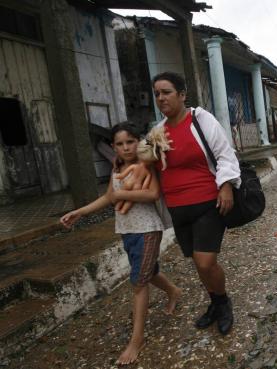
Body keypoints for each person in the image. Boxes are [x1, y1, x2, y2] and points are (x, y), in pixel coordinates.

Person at [60, 123, 182, 365]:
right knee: (148, 272)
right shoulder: (118, 165)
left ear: (138, 141)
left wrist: (122, 195)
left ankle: (136, 341)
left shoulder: (147, 164)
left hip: (147, 230)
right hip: (126, 231)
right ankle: (173, 291)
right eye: (120, 144)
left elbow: (153, 194)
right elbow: (108, 196)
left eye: (130, 141)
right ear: (113, 147)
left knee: (138, 283)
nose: (126, 148)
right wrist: (80, 212)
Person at [152, 71, 240, 335]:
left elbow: (225, 154)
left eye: (166, 92)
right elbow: (150, 165)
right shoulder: (157, 132)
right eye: (157, 93)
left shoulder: (200, 120)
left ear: (181, 94)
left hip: (206, 203)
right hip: (177, 208)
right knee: (196, 261)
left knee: (205, 262)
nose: (160, 98)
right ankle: (214, 303)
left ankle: (224, 303)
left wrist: (225, 185)